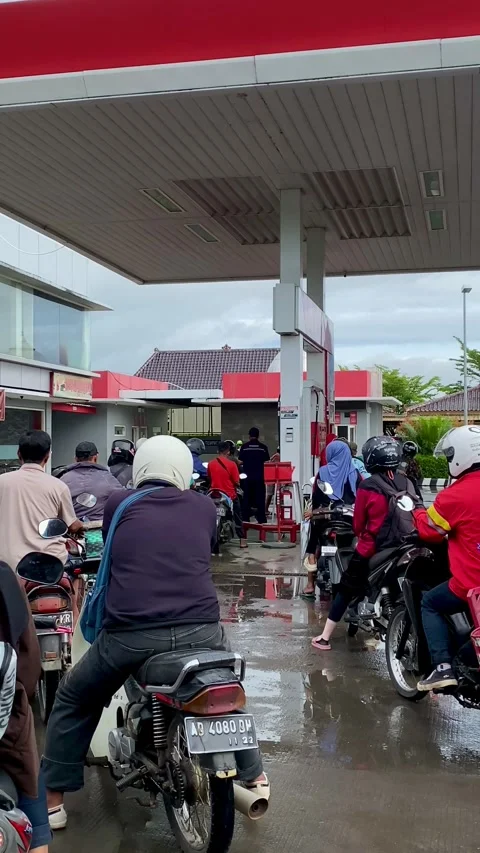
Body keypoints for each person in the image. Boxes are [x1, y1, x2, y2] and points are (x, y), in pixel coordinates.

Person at [42, 436, 267, 829]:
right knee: (221, 685)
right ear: (182, 468)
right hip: (203, 628)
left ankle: (52, 802)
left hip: (131, 634)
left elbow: (120, 543)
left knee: (74, 697)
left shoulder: (119, 503)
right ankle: (255, 775)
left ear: (141, 466)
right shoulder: (203, 506)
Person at [311, 435, 418, 649]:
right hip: (408, 544)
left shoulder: (368, 485)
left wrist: (364, 534)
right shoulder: (407, 481)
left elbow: (359, 525)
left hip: (374, 548)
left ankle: (324, 638)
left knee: (346, 587)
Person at [413, 425, 480, 690]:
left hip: (470, 584)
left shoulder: (454, 495)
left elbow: (429, 532)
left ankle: (442, 668)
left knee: (430, 603)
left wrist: (417, 512)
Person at [0, 560, 50, 852]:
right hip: (7, 728)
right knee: (28, 769)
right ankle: (40, 836)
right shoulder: (5, 578)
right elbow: (30, 667)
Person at [0, 430, 83, 573]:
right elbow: (72, 526)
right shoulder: (58, 486)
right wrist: (80, 525)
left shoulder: (2, 482)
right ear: (48, 455)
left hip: (6, 565)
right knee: (78, 579)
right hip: (48, 565)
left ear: (19, 454)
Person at [302, 439, 359, 597]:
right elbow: (361, 497)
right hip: (349, 519)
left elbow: (316, 497)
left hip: (324, 518)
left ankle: (310, 584)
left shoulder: (323, 472)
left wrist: (314, 512)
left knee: (312, 544)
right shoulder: (355, 473)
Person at [60, 441, 124, 520]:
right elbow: (123, 499)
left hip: (71, 529)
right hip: (100, 529)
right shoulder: (108, 479)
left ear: (75, 459)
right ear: (96, 457)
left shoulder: (63, 480)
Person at [208, 441, 247, 548]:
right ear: (228, 452)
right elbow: (236, 482)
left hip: (213, 494)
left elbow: (210, 478)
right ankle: (242, 540)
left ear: (217, 451)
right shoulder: (232, 464)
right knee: (238, 515)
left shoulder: (211, 464)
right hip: (229, 495)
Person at [239, 428, 270, 524]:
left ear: (249, 436)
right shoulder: (263, 447)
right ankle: (261, 518)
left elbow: (241, 461)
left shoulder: (244, 447)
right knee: (260, 499)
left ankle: (245, 518)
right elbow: (267, 461)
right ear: (258, 435)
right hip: (259, 477)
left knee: (246, 498)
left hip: (247, 478)